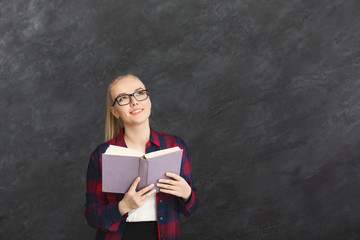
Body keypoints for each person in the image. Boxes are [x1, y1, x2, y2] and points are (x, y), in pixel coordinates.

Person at [84, 74, 199, 240]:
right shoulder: (102, 154)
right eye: (123, 98)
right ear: (115, 111)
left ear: (149, 101)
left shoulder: (175, 146)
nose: (134, 101)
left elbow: (191, 209)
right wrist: (123, 207)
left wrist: (187, 193)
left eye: (139, 93)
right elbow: (92, 216)